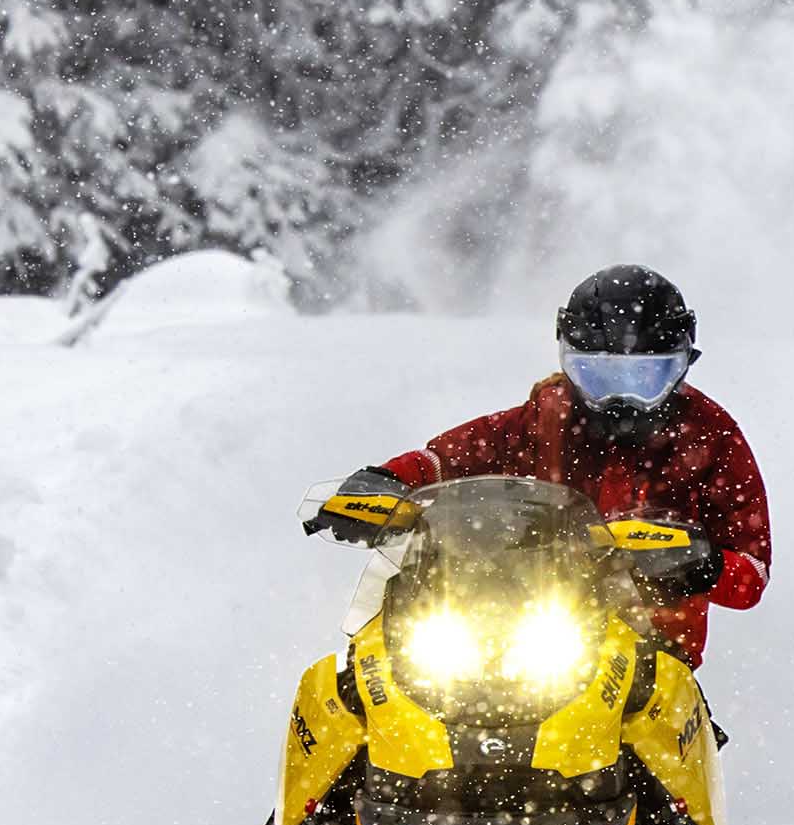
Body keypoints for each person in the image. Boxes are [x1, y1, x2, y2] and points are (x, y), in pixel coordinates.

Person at [312, 264, 768, 667]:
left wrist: (703, 565)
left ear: (682, 367)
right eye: (598, 376)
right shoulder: (546, 418)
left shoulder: (711, 436)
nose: (618, 399)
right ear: (568, 363)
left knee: (661, 743)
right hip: (510, 625)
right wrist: (387, 480)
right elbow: (447, 459)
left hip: (649, 649)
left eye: (644, 378)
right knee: (364, 694)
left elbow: (751, 571)